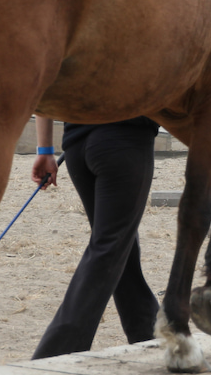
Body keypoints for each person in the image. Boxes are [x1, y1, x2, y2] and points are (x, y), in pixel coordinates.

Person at [29, 115, 161, 359]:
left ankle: (152, 335)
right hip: (125, 141)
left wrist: (45, 148)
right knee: (109, 246)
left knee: (120, 245)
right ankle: (53, 356)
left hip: (77, 148)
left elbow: (43, 86)